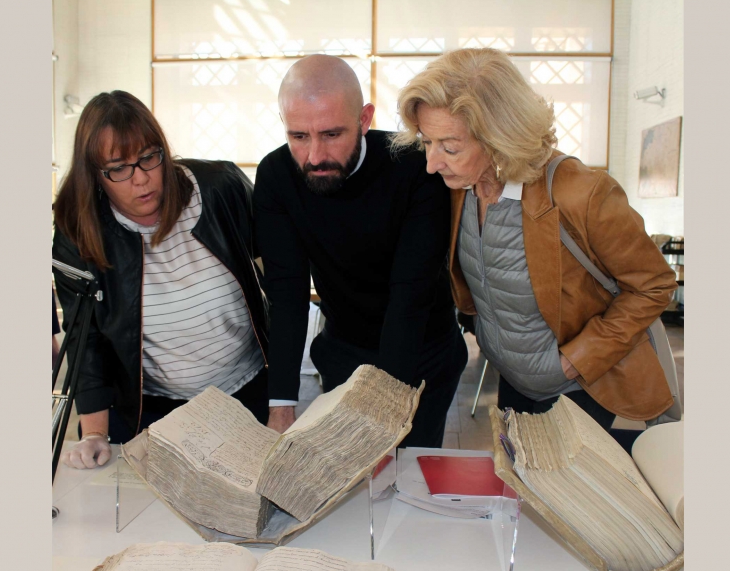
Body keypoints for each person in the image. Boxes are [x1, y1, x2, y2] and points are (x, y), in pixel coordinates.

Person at [393, 48, 678, 431]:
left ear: (499, 136)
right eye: (427, 142)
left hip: (586, 391)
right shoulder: (460, 187)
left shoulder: (582, 193)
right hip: (515, 384)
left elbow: (654, 285)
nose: (432, 163)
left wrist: (572, 361)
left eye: (450, 147)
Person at [253, 55, 467, 448]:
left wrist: (384, 414)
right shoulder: (275, 176)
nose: (315, 156)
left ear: (364, 119)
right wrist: (281, 404)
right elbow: (287, 293)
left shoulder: (414, 166)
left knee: (408, 468)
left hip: (423, 349)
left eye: (331, 134)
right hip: (344, 347)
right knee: (346, 466)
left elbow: (410, 297)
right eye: (298, 136)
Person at [52, 90, 270, 469]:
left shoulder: (219, 188)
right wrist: (94, 433)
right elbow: (86, 341)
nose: (141, 179)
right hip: (151, 411)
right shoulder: (78, 232)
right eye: (118, 168)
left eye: (149, 157)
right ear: (96, 176)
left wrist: (283, 399)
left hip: (248, 392)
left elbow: (283, 273)